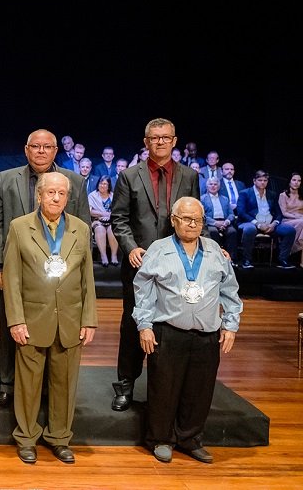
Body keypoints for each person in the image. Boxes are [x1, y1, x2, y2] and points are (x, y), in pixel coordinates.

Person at [0, 129, 91, 410]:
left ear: (56, 151)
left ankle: (46, 389)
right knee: (12, 325)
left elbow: (83, 227)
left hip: (62, 273)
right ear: (26, 149)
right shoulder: (6, 179)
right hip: (17, 268)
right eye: (35, 146)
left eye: (47, 147)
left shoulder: (75, 182)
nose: (41, 151)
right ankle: (7, 386)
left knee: (56, 332)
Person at [133, 197, 242, 464]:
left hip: (207, 335)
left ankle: (190, 439)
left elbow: (230, 290)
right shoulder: (158, 250)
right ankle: (160, 439)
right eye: (186, 218)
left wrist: (230, 324)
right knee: (163, 389)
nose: (192, 224)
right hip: (168, 331)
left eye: (198, 219)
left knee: (200, 390)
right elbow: (142, 289)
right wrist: (144, 325)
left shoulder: (215, 250)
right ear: (173, 220)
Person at [3, 172, 97, 465]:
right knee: (28, 384)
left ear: (68, 197)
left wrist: (88, 319)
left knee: (65, 383)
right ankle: (27, 438)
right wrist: (16, 320)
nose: (56, 198)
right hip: (31, 319)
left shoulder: (81, 228)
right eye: (50, 193)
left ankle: (59, 438)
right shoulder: (19, 227)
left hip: (69, 318)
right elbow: (12, 277)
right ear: (39, 196)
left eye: (61, 194)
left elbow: (87, 278)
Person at [109, 118, 201, 412]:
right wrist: (130, 247)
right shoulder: (128, 175)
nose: (160, 142)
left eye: (165, 138)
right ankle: (125, 386)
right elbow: (119, 219)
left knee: (168, 326)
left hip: (177, 263)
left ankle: (163, 389)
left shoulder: (189, 176)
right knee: (133, 323)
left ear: (175, 141)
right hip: (140, 263)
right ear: (146, 142)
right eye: (154, 138)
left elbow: (196, 218)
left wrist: (210, 249)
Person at [236, 170, 296, 269]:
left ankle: (282, 260)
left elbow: (279, 213)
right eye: (260, 180)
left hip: (269, 224)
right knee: (250, 229)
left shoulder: (271, 194)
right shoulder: (245, 193)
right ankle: (246, 260)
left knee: (290, 230)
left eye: (265, 180)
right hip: (250, 222)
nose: (263, 182)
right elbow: (241, 212)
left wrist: (274, 224)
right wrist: (258, 224)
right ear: (254, 181)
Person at [201, 177, 238, 261]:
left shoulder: (225, 199)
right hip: (211, 223)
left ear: (219, 186)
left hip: (225, 222)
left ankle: (231, 259)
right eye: (211, 184)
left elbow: (231, 214)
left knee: (232, 232)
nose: (213, 186)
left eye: (215, 184)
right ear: (207, 186)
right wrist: (215, 223)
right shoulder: (202, 199)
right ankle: (216, 258)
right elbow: (202, 215)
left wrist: (227, 222)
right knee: (213, 231)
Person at [89, 175, 119, 266]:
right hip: (97, 220)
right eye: (101, 183)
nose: (102, 186)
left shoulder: (113, 196)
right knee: (100, 229)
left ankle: (114, 256)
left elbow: (117, 210)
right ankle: (103, 256)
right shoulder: (92, 195)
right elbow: (90, 211)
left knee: (112, 229)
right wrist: (103, 214)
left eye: (105, 184)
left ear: (109, 186)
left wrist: (109, 216)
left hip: (111, 221)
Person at [279, 172, 303, 262]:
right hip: (287, 220)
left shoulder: (302, 196)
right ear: (289, 182)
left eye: (299, 181)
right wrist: (297, 217)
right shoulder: (283, 195)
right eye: (294, 180)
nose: (296, 182)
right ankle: (293, 247)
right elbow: (284, 212)